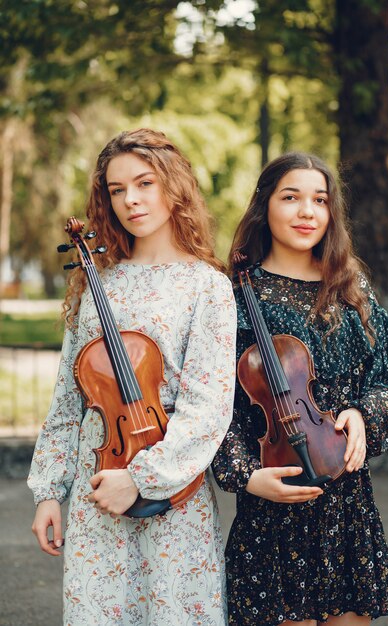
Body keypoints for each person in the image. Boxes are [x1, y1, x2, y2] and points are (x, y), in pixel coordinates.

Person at [28, 128, 237, 625]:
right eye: (116, 190)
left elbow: (208, 407)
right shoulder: (100, 282)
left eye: (143, 183)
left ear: (174, 186)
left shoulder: (206, 286)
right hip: (96, 487)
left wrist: (142, 479)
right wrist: (49, 492)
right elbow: (68, 401)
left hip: (172, 493)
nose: (131, 200)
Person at [212, 151, 388, 625]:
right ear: (265, 205)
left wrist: (364, 413)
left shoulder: (348, 284)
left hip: (347, 504)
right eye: (291, 197)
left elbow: (387, 371)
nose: (307, 211)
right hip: (273, 504)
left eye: (319, 200)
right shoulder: (236, 295)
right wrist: (246, 476)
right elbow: (212, 402)